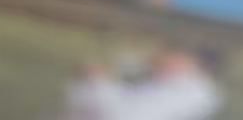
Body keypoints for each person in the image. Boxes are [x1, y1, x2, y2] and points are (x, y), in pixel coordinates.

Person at [63, 50, 224, 120]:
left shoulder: (193, 92)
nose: (163, 60)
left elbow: (123, 116)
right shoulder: (187, 88)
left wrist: (96, 79)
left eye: (175, 57)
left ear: (193, 62)